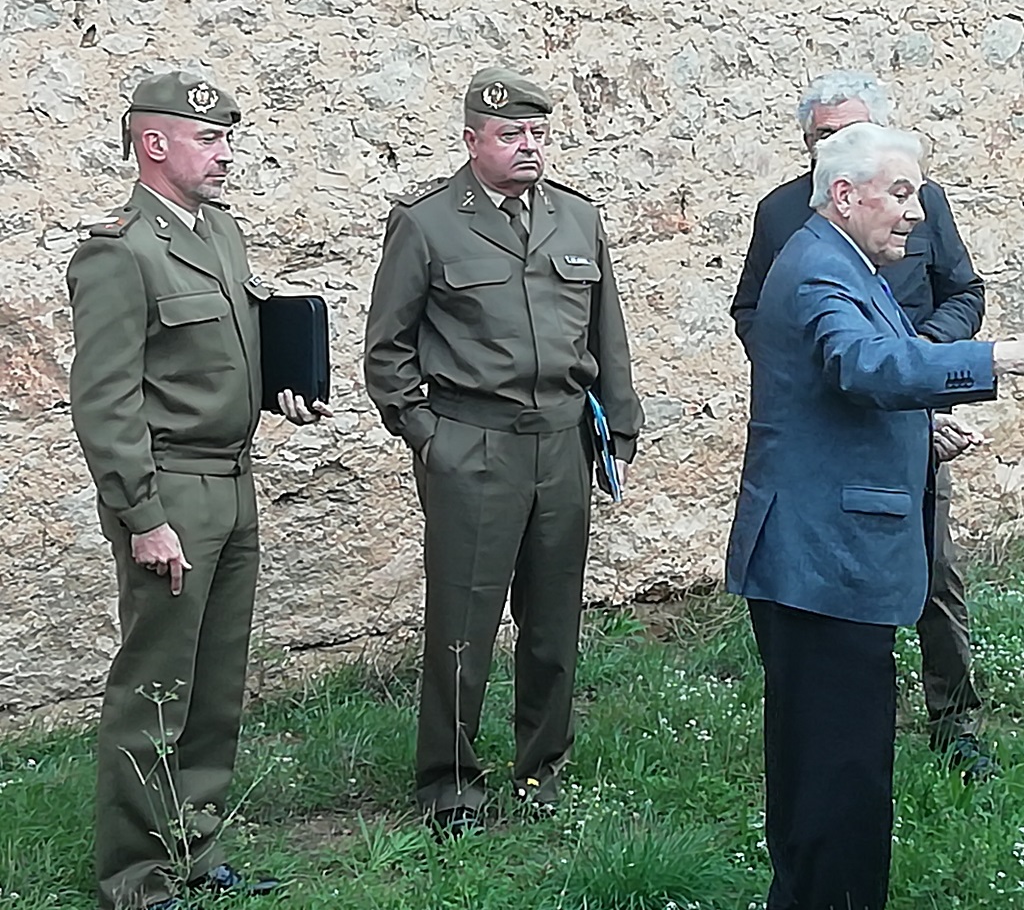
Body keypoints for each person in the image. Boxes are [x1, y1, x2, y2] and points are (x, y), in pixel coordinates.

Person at [727, 121, 1024, 910]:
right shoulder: (824, 268)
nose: (915, 213)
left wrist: (921, 424)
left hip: (819, 557)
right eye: (899, 193)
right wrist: (999, 356)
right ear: (844, 195)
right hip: (823, 562)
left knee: (821, 774)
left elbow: (847, 386)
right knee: (840, 779)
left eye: (917, 194)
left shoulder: (843, 261)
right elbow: (861, 363)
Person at [67, 72, 329, 910]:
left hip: (234, 479)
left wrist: (275, 386)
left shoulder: (219, 234)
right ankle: (136, 879)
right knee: (155, 687)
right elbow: (106, 401)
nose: (226, 156)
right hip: (171, 492)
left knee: (215, 684)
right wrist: (142, 517)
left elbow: (211, 356)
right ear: (154, 144)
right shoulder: (119, 251)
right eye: (209, 140)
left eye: (226, 140)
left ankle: (192, 844)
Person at [364, 66, 641, 834]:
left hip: (559, 442)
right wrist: (430, 437)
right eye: (511, 135)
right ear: (472, 141)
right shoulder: (427, 224)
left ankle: (542, 768)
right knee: (464, 620)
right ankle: (450, 783)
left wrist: (617, 419)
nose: (529, 147)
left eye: (539, 134)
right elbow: (387, 350)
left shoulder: (576, 219)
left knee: (553, 620)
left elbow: (605, 332)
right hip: (472, 442)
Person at [731, 71, 995, 773]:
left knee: (932, 572)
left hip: (915, 403)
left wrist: (923, 365)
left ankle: (955, 719)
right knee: (842, 606)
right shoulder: (790, 217)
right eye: (824, 137)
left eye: (850, 133)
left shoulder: (916, 203)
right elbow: (758, 314)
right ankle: (841, 712)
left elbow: (964, 292)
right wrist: (809, 382)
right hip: (847, 424)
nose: (836, 146)